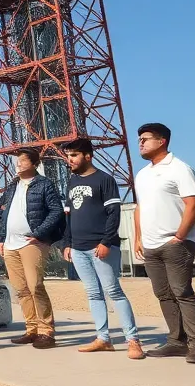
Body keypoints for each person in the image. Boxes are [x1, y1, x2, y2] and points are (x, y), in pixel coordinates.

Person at [59, 138, 144, 360]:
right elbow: (68, 216)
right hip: (78, 248)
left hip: (101, 246)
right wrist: (67, 243)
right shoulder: (71, 182)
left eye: (74, 155)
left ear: (88, 156)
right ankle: (103, 338)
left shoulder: (105, 180)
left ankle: (132, 340)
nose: (70, 160)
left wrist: (106, 241)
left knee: (113, 291)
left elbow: (113, 214)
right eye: (68, 156)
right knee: (93, 293)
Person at [134, 122, 195, 363]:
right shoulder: (142, 174)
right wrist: (138, 237)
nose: (141, 143)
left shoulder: (180, 169)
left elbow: (193, 203)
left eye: (145, 139)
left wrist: (180, 236)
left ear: (162, 141)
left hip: (176, 243)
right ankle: (177, 342)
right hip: (151, 245)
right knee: (163, 294)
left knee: (182, 292)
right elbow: (140, 207)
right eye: (139, 140)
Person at [0, 147, 63, 348]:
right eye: (17, 160)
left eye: (23, 160)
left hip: (31, 243)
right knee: (21, 289)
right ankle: (31, 329)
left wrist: (39, 233)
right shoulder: (12, 185)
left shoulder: (44, 184)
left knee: (35, 286)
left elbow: (56, 210)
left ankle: (46, 331)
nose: (18, 163)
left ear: (34, 164)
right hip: (10, 244)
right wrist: (1, 238)